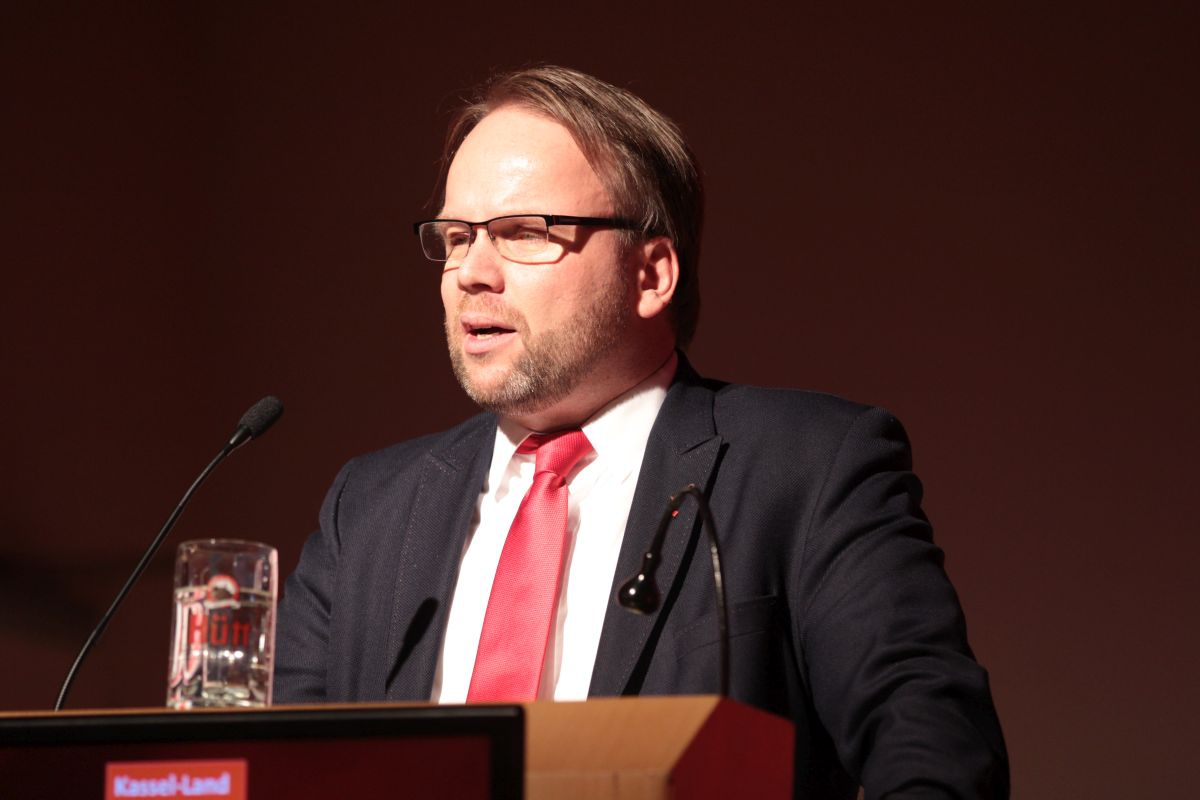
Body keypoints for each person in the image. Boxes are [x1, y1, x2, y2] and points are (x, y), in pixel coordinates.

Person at [275, 65, 1009, 798]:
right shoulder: (369, 508)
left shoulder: (808, 469)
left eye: (523, 233)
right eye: (457, 237)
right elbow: (266, 766)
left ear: (651, 274)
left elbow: (938, 759)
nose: (471, 272)